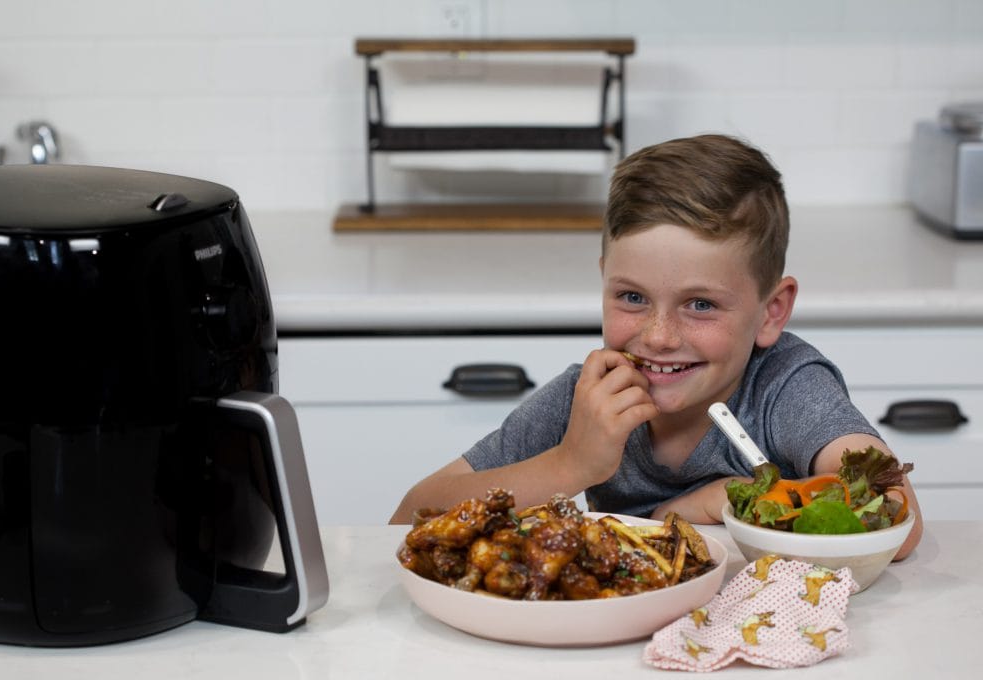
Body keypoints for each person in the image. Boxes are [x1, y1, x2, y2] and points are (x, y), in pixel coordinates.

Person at [389, 134, 922, 560]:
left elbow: (897, 513)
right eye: (632, 297)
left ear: (771, 311)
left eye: (701, 305)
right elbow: (407, 520)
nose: (660, 336)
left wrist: (726, 505)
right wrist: (570, 463)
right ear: (604, 282)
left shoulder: (784, 386)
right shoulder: (590, 398)